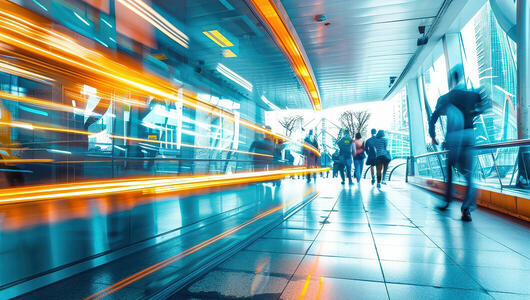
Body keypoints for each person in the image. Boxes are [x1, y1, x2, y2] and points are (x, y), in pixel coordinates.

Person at [429, 64, 484, 222]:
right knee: (469, 174)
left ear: (450, 80)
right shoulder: (472, 95)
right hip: (469, 134)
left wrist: (433, 136)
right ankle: (466, 208)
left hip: (454, 136)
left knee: (450, 168)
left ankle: (447, 201)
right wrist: (472, 113)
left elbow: (434, 117)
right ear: (461, 78)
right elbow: (482, 107)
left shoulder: (446, 98)